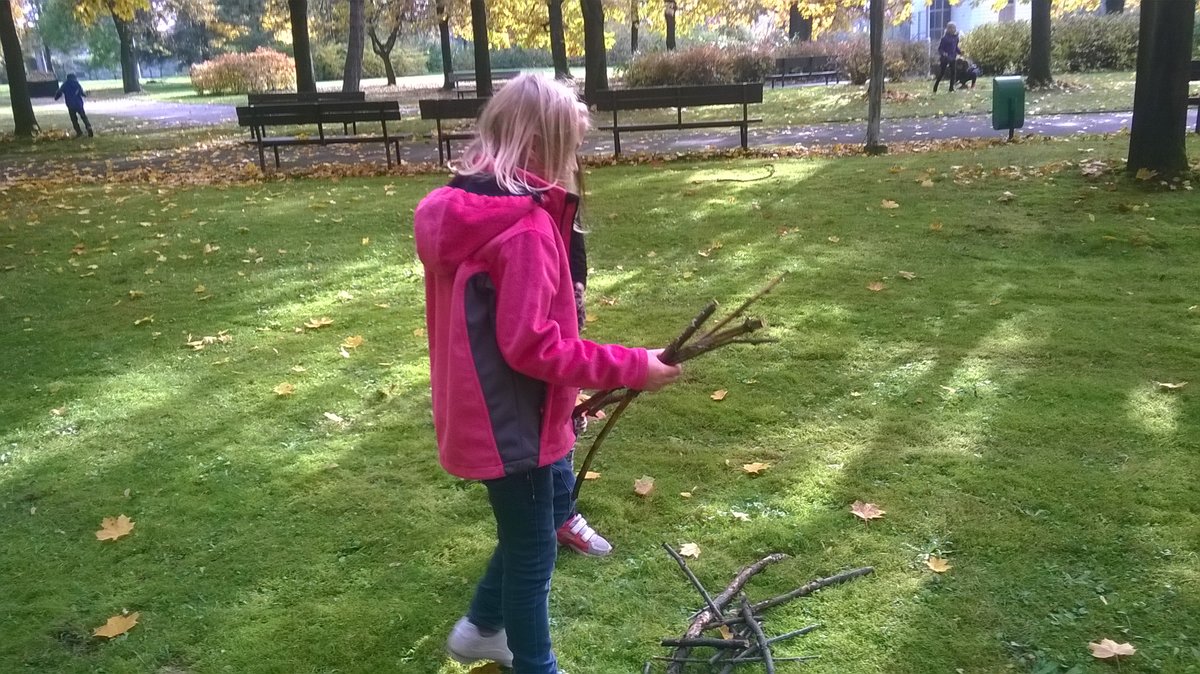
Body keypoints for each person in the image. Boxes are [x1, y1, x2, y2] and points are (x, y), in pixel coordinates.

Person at [413, 74, 683, 673]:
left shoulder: (466, 208)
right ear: (542, 144)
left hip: (496, 415)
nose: (574, 159)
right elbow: (533, 347)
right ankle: (536, 664)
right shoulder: (524, 229)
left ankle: (480, 630)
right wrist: (632, 366)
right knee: (534, 551)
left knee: (531, 528)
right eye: (571, 146)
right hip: (515, 425)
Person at [54, 74, 94, 138]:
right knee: (84, 117)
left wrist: (56, 97)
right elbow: (82, 93)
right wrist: (85, 94)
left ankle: (79, 132)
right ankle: (88, 127)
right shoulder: (76, 84)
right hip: (78, 104)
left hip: (70, 104)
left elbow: (59, 92)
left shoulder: (65, 84)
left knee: (74, 119)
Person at [933, 22, 961, 93]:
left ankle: (951, 88)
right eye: (950, 28)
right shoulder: (944, 38)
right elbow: (940, 49)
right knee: (942, 73)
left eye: (953, 28)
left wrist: (960, 52)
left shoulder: (956, 38)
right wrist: (943, 53)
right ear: (948, 29)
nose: (952, 29)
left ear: (955, 29)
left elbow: (955, 47)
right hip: (945, 58)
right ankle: (935, 87)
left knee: (953, 73)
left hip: (953, 57)